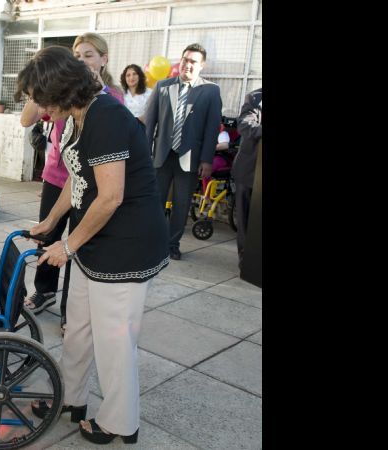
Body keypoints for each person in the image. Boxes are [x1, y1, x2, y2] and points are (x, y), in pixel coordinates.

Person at [16, 46, 169, 445]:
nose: (39, 107)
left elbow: (110, 197)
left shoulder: (106, 117)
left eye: (41, 97)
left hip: (126, 244)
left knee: (115, 339)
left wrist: (66, 246)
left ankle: (121, 422)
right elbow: (78, 176)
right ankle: (71, 397)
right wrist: (51, 223)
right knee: (79, 329)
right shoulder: (75, 116)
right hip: (94, 239)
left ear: (63, 90)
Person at [144, 43, 222, 260]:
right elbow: (150, 125)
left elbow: (212, 128)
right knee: (155, 201)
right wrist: (144, 154)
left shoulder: (211, 91)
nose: (188, 65)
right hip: (161, 156)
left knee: (181, 205)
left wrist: (207, 159)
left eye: (193, 62)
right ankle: (153, 243)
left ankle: (172, 244)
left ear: (202, 65)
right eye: (185, 60)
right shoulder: (162, 86)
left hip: (190, 159)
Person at [20, 100, 70, 335]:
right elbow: (26, 119)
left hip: (87, 181)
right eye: (77, 58)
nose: (81, 61)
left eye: (88, 58)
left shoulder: (110, 96)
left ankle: (71, 310)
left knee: (76, 245)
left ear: (104, 60)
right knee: (47, 237)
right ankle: (45, 290)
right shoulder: (58, 95)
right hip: (56, 176)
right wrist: (38, 88)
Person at [230, 88, 262, 269]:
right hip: (249, 169)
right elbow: (244, 124)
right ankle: (246, 260)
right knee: (246, 219)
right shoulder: (255, 97)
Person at [72, 33, 123, 104]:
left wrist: (102, 90)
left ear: (104, 60)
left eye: (88, 55)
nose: (81, 60)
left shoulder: (115, 93)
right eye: (77, 56)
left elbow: (117, 112)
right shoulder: (69, 89)